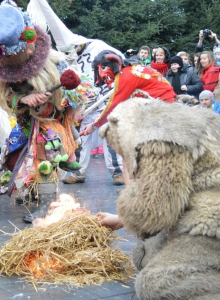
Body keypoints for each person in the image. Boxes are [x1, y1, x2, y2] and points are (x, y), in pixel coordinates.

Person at [98, 97, 220, 299]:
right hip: (202, 211)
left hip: (211, 222)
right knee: (145, 254)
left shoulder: (158, 137)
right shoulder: (184, 119)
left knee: (157, 283)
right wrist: (121, 220)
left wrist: (128, 213)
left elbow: (152, 211)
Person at [0, 2, 83, 223]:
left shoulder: (56, 66)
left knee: (45, 164)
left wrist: (46, 104)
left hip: (48, 126)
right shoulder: (2, 74)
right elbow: (4, 97)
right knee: (16, 161)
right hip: (25, 125)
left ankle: (48, 209)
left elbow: (73, 100)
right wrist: (22, 99)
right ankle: (36, 198)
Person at [27, 0, 125, 186]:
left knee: (110, 136)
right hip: (85, 106)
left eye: (71, 50)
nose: (69, 54)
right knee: (80, 139)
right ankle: (78, 171)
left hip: (106, 102)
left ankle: (117, 172)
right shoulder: (69, 60)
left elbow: (119, 64)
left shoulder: (98, 47)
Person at [80, 50, 176, 135]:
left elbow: (114, 105)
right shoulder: (129, 70)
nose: (101, 74)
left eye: (104, 67)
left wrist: (94, 125)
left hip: (162, 104)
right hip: (158, 103)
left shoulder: (125, 76)